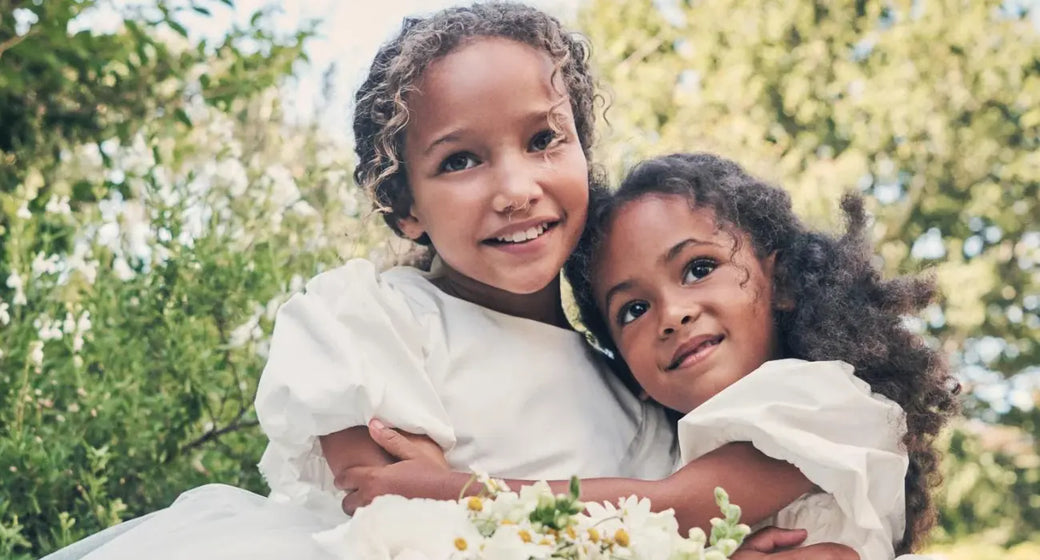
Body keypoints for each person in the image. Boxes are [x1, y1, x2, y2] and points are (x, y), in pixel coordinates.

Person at [42, 5, 853, 558]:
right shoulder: (368, 321)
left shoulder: (630, 398)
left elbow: (641, 524)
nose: (514, 187)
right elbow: (391, 514)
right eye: (460, 160)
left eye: (543, 140)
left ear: (582, 153)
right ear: (405, 209)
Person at [340, 153, 959, 559]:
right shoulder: (682, 445)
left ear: (786, 282)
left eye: (698, 268)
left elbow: (674, 510)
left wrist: (448, 489)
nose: (672, 313)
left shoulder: (823, 399)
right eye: (632, 310)